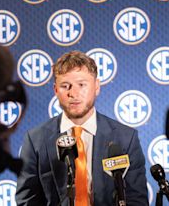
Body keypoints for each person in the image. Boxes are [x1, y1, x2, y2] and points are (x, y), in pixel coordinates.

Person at [16, 51, 148, 205]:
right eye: (65, 86)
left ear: (96, 86)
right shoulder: (35, 140)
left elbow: (136, 200)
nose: (73, 93)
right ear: (56, 90)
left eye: (81, 84)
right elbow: (27, 201)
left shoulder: (126, 138)